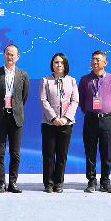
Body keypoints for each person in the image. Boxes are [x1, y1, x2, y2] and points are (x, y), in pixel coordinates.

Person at [0, 44, 30, 193]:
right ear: (4, 55)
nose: (10, 57)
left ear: (17, 57)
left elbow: (24, 97)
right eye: (7, 54)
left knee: (15, 153)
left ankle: (13, 183)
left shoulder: (23, 75)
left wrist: (15, 106)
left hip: (16, 116)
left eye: (12, 54)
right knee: (0, 152)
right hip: (0, 116)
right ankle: (1, 183)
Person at [78, 50, 111, 193]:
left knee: (106, 152)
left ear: (105, 63)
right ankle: (91, 181)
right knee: (90, 151)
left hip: (106, 119)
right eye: (93, 59)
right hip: (90, 119)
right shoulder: (85, 79)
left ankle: (105, 181)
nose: (95, 62)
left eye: (98, 59)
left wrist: (106, 109)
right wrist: (89, 110)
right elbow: (81, 99)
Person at [39, 53, 78, 193]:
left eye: (62, 62)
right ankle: (48, 183)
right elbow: (43, 100)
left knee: (62, 155)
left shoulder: (71, 81)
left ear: (65, 65)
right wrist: (54, 118)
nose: (59, 65)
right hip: (49, 123)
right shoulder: (45, 80)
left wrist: (66, 118)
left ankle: (59, 183)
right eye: (56, 62)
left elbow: (75, 100)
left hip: (66, 123)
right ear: (52, 64)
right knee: (49, 155)